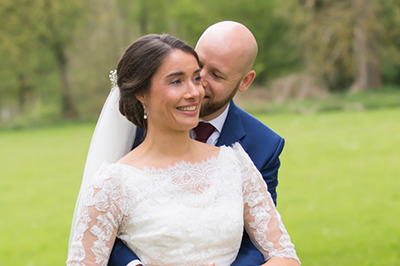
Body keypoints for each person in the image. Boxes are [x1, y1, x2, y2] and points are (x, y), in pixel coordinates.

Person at [67, 33, 300, 266]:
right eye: (176, 81)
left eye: (196, 78)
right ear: (141, 92)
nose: (195, 92)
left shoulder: (236, 162)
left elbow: (285, 256)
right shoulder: (111, 183)